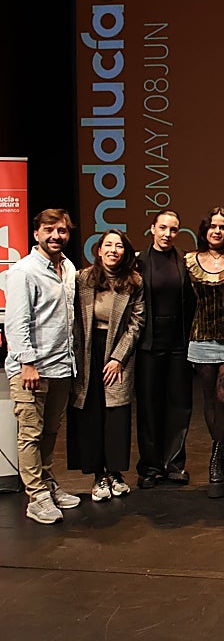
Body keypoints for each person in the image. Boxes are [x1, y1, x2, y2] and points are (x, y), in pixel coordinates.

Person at [4, 209, 82, 524]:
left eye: (62, 231)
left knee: (50, 431)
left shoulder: (69, 268)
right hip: (32, 370)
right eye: (49, 230)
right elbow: (16, 322)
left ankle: (47, 483)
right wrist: (27, 363)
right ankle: (36, 497)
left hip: (61, 367)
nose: (56, 236)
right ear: (36, 232)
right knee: (30, 434)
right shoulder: (24, 271)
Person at [67, 230, 145, 502]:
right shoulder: (82, 279)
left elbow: (137, 324)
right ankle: (97, 475)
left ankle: (115, 472)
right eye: (108, 245)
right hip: (87, 349)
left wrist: (118, 357)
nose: (113, 250)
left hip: (117, 351)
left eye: (119, 246)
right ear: (98, 250)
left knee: (117, 413)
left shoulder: (134, 282)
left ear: (126, 252)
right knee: (90, 411)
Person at [185, 207, 224, 498]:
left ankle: (214, 459)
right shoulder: (188, 261)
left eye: (222, 226)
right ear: (204, 230)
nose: (217, 231)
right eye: (212, 226)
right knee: (210, 401)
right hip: (201, 339)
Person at [134, 210, 195, 489]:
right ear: (152, 229)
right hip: (149, 343)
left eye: (173, 229)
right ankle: (150, 466)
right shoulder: (138, 261)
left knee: (179, 405)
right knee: (149, 406)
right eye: (162, 228)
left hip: (178, 344)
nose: (167, 234)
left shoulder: (184, 260)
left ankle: (174, 464)